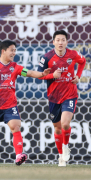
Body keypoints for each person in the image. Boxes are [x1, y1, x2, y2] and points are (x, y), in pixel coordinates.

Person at [0, 40, 52, 166]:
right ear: (3, 51)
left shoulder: (15, 67)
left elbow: (30, 73)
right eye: (12, 50)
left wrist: (42, 74)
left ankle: (19, 155)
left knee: (15, 127)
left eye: (15, 50)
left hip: (10, 105)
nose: (14, 53)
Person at [36, 30, 86, 166]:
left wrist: (78, 76)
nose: (60, 42)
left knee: (65, 123)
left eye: (63, 40)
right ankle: (60, 156)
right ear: (53, 42)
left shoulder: (73, 54)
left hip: (70, 94)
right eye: (58, 40)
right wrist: (52, 76)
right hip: (53, 97)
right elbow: (39, 75)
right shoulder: (46, 58)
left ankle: (65, 146)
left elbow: (83, 61)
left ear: (66, 42)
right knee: (57, 128)